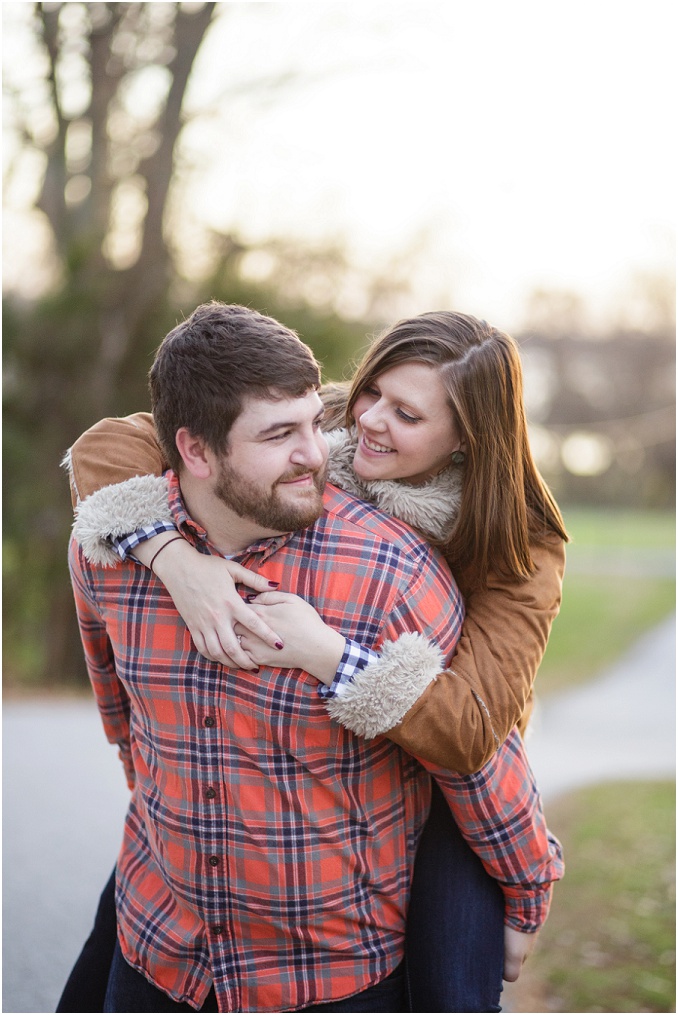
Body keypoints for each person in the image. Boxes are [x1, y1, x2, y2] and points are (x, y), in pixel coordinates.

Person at [63, 309, 566, 1013]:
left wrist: (326, 651)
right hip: (195, 863)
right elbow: (110, 445)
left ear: (463, 442)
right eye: (373, 393)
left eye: (406, 413)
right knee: (113, 945)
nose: (370, 421)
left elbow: (471, 736)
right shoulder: (327, 425)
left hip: (445, 754)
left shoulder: (514, 552)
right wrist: (171, 554)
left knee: (455, 985)